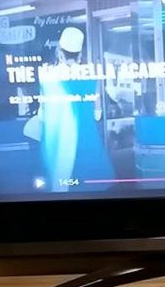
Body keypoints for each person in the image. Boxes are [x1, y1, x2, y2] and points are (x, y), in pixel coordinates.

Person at [31, 27, 113, 192]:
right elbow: (97, 115)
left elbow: (43, 116)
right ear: (80, 55)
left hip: (57, 146)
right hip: (88, 146)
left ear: (60, 53)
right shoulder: (92, 77)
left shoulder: (47, 77)